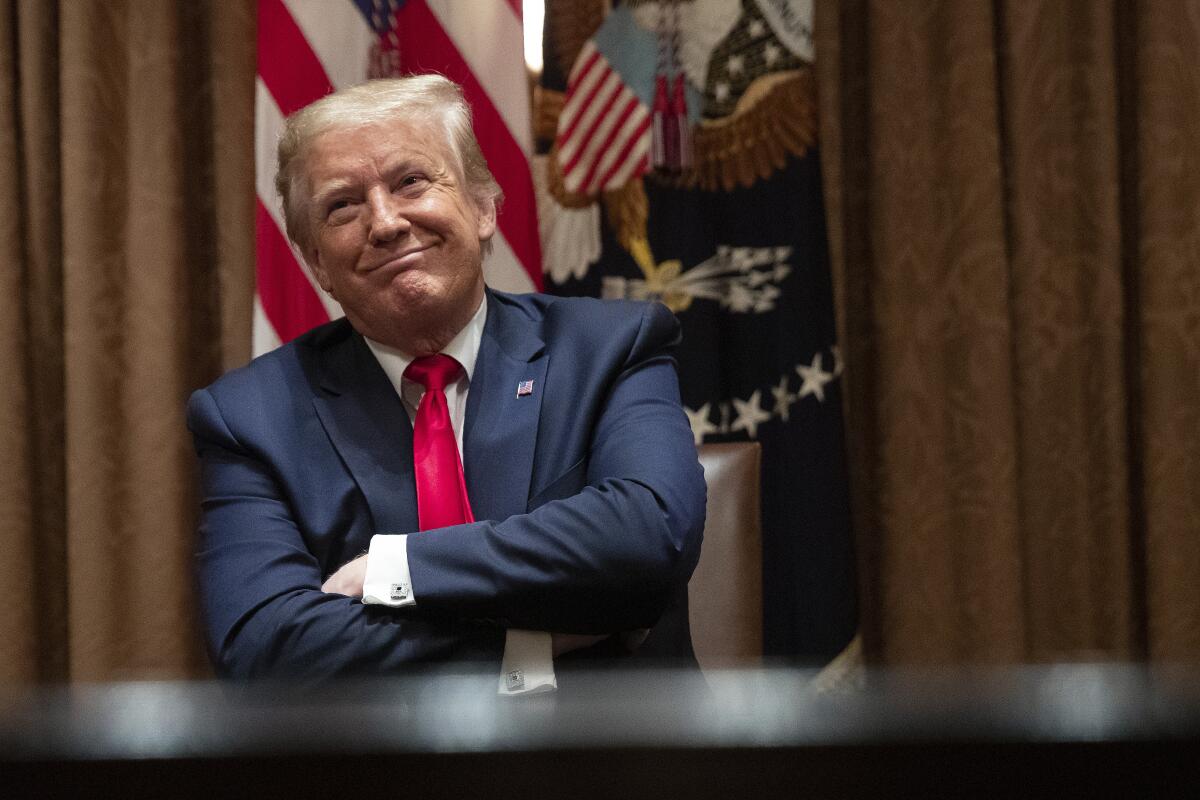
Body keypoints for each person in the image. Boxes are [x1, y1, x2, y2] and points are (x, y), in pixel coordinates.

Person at [187, 75, 706, 692]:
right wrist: (529, 642)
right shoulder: (248, 417)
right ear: (316, 262)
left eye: (410, 181)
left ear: (484, 208)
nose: (384, 223)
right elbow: (264, 650)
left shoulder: (610, 347)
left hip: (617, 761)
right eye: (342, 206)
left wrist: (395, 567)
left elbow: (648, 536)